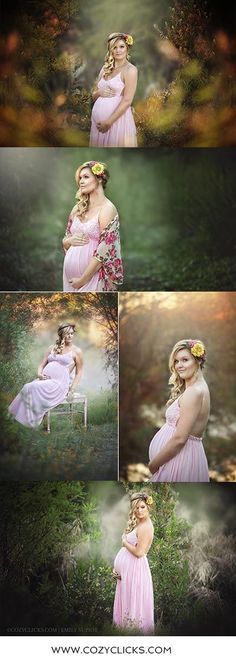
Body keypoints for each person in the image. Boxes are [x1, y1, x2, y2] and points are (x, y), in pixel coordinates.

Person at [148, 339, 210, 482]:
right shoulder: (199, 387)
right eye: (176, 361)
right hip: (182, 457)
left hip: (180, 460)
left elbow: (180, 439)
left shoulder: (194, 392)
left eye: (185, 360)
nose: (179, 366)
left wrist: (153, 465)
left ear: (198, 361)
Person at [62, 160, 123, 292]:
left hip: (92, 279)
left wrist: (82, 280)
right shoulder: (77, 208)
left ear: (99, 179)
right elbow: (66, 238)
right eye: (80, 178)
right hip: (70, 279)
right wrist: (68, 241)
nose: (81, 181)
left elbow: (104, 250)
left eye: (86, 177)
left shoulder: (107, 209)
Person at [8, 324, 83, 428]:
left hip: (59, 384)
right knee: (27, 387)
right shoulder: (52, 348)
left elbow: (79, 372)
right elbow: (42, 364)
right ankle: (16, 419)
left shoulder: (77, 351)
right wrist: (39, 374)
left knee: (29, 387)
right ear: (61, 334)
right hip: (45, 381)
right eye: (67, 334)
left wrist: (72, 389)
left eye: (72, 334)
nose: (70, 336)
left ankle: (27, 424)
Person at [113, 492, 154, 634]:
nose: (139, 511)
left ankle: (134, 635)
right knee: (127, 605)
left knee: (134, 607)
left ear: (148, 507)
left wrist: (124, 542)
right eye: (136, 508)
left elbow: (139, 553)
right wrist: (119, 569)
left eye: (142, 507)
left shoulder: (146, 527)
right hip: (129, 572)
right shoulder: (140, 523)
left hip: (136, 571)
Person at [89, 32, 138, 147]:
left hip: (117, 122)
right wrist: (99, 93)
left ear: (127, 48)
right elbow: (93, 95)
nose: (118, 50)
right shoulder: (105, 68)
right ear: (110, 50)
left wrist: (109, 122)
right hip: (98, 125)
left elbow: (127, 100)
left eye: (121, 46)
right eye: (114, 47)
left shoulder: (130, 70)